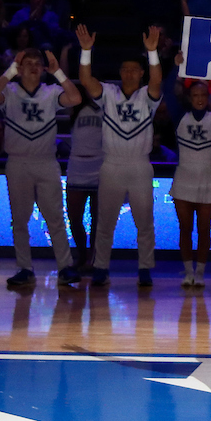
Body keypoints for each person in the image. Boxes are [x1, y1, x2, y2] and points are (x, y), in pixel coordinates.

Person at [0, 47, 83, 287]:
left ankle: (65, 267)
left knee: (55, 218)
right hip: (18, 161)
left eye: (36, 63)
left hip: (46, 162)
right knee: (19, 219)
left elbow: (76, 99)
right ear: (19, 68)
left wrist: (58, 72)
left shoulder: (51, 92)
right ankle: (25, 268)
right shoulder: (9, 91)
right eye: (26, 63)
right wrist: (10, 71)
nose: (32, 66)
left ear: (43, 69)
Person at [76, 24, 163, 287]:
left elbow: (157, 81)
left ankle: (145, 268)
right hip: (111, 164)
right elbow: (86, 80)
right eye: (124, 69)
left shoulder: (148, 96)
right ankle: (100, 266)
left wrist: (153, 53)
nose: (128, 73)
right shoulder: (108, 94)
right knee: (105, 222)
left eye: (133, 69)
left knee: (145, 221)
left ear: (141, 73)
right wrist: (86, 52)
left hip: (139, 165)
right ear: (120, 73)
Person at [169, 77, 211, 287]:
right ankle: (188, 270)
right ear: (189, 98)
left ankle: (200, 272)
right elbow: (167, 90)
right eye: (195, 96)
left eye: (203, 95)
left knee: (204, 229)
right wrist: (175, 68)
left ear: (208, 97)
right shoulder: (180, 115)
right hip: (183, 179)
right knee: (185, 228)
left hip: (206, 179)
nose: (199, 99)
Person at [65, 88, 103, 271]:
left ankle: (93, 258)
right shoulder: (76, 106)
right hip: (77, 165)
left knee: (98, 218)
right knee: (74, 216)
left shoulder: (107, 106)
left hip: (100, 164)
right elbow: (64, 85)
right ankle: (81, 254)